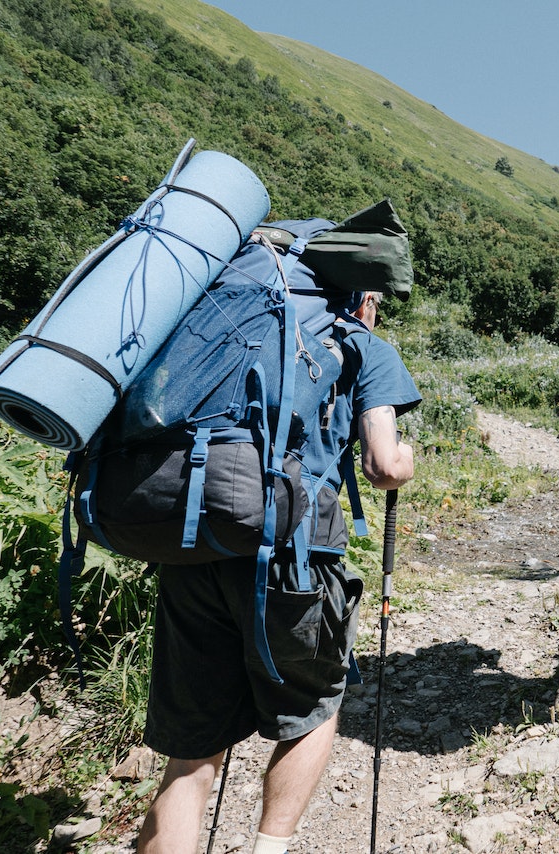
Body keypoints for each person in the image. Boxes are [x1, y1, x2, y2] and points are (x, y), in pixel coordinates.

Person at [136, 288, 420, 854]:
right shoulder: (361, 343)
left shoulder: (216, 324)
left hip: (193, 547)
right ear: (363, 294)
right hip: (293, 559)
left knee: (191, 755)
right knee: (310, 713)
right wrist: (404, 459)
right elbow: (383, 466)